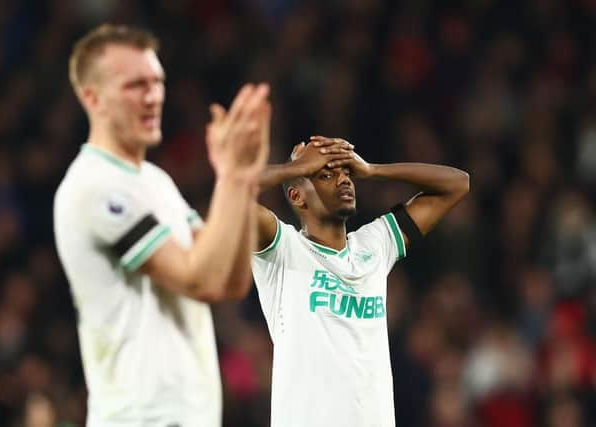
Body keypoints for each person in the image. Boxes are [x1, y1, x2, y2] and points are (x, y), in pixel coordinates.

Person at [54, 24, 271, 427]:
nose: (153, 96)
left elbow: (229, 280)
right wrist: (230, 177)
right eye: (135, 85)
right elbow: (199, 278)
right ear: (92, 98)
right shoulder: (94, 186)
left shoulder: (156, 182)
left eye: (157, 81)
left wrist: (244, 178)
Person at [251, 136, 470, 427]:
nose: (343, 180)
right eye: (326, 174)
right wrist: (294, 167)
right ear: (296, 196)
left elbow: (457, 184)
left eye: (346, 172)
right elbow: (229, 195)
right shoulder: (283, 249)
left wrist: (372, 170)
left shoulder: (374, 245)